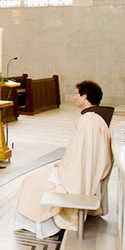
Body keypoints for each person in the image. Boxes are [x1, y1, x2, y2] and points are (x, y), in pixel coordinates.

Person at [15, 81, 113, 238]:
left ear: (85, 96)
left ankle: (42, 227)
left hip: (74, 177)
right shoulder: (96, 119)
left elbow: (80, 158)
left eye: (76, 94)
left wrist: (61, 168)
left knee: (31, 181)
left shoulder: (88, 122)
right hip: (76, 170)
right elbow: (82, 154)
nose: (74, 97)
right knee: (36, 178)